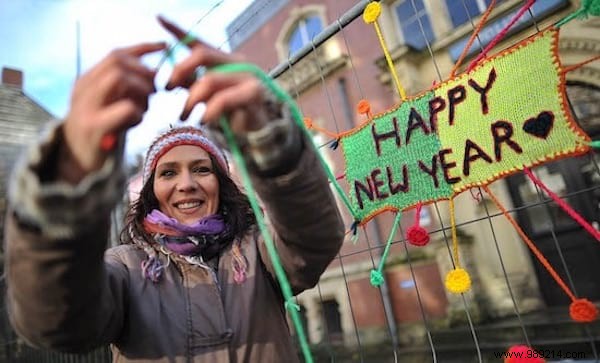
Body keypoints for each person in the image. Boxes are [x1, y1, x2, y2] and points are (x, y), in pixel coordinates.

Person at [4, 16, 344, 362]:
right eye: (168, 173)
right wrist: (65, 186)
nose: (186, 184)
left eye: (201, 169)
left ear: (220, 183)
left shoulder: (258, 250)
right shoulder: (124, 268)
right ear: (152, 191)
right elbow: (57, 321)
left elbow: (314, 241)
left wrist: (273, 147)